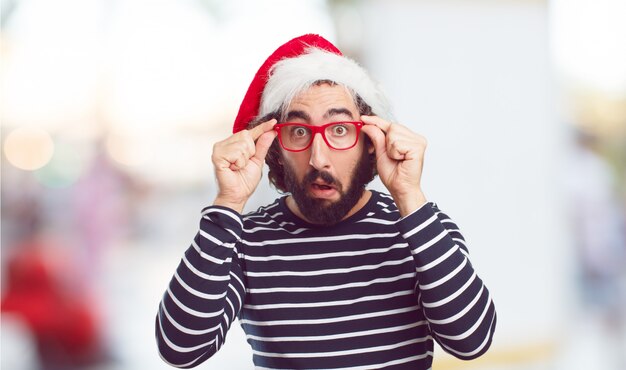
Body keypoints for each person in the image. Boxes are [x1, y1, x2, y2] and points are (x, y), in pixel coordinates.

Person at [155, 34, 496, 369]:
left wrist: (410, 195)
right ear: (274, 148)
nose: (319, 159)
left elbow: (471, 341)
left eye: (339, 130)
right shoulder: (245, 240)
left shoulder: (420, 227)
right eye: (299, 131)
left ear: (370, 140)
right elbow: (180, 348)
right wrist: (227, 202)